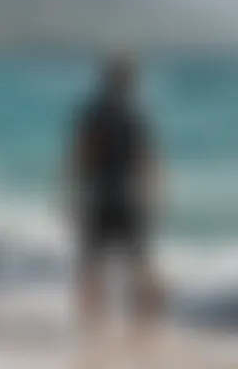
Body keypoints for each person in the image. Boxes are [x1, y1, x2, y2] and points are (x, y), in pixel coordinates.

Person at [66, 55, 162, 342]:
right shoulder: (137, 115)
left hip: (99, 195)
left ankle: (92, 327)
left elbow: (81, 156)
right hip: (129, 196)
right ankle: (145, 326)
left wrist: (71, 194)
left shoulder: (92, 114)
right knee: (139, 262)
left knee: (92, 263)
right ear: (131, 81)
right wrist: (153, 194)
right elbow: (147, 159)